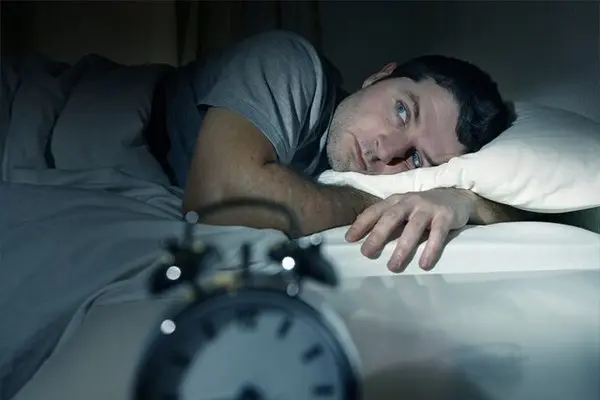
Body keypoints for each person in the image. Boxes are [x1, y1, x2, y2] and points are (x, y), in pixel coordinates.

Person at [165, 30, 524, 273]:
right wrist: (373, 199)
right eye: (401, 111)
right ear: (380, 76)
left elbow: (522, 208)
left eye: (416, 159)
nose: (386, 150)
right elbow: (217, 196)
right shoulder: (289, 61)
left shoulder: (397, 168)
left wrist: (464, 200)